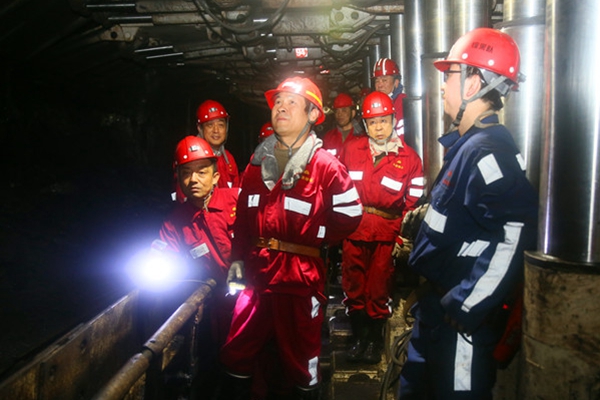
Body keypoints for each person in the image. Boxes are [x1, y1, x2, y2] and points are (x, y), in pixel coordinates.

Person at [398, 27, 538, 399]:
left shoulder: (487, 151)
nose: (443, 86)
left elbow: (515, 229)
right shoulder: (466, 146)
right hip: (435, 310)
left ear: (473, 83)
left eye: (450, 75)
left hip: (458, 324)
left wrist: (468, 303)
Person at [218, 76, 363, 400]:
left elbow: (351, 214)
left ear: (313, 114)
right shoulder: (256, 166)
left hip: (299, 279)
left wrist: (316, 236)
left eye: (291, 102)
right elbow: (243, 219)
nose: (281, 107)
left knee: (302, 359)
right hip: (257, 277)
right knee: (237, 349)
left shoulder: (326, 166)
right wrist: (237, 258)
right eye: (278, 102)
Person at [340, 91, 424, 364]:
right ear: (365, 125)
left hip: (387, 233)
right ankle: (359, 337)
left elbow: (413, 201)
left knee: (378, 289)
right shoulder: (351, 150)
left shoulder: (409, 158)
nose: (378, 127)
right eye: (373, 122)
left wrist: (403, 235)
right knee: (353, 286)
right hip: (355, 228)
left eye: (383, 121)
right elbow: (337, 187)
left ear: (393, 121)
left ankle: (375, 341)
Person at [156, 135, 239, 396]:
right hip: (213, 305)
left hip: (250, 300)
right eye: (186, 173)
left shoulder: (237, 201)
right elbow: (163, 252)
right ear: (178, 179)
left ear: (215, 176)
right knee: (215, 361)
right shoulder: (175, 221)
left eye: (202, 172)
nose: (193, 179)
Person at [196, 99, 240, 189]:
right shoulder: (193, 157)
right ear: (200, 128)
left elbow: (236, 190)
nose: (216, 130)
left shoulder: (228, 158)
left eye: (221, 125)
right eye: (210, 125)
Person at [322, 93, 365, 159]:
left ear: (353, 113)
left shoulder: (362, 138)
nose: (339, 114)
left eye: (344, 110)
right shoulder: (329, 137)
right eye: (337, 111)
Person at [373, 58, 406, 135]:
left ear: (396, 83)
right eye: (377, 81)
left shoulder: (403, 103)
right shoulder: (375, 105)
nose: (380, 85)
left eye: (384, 80)